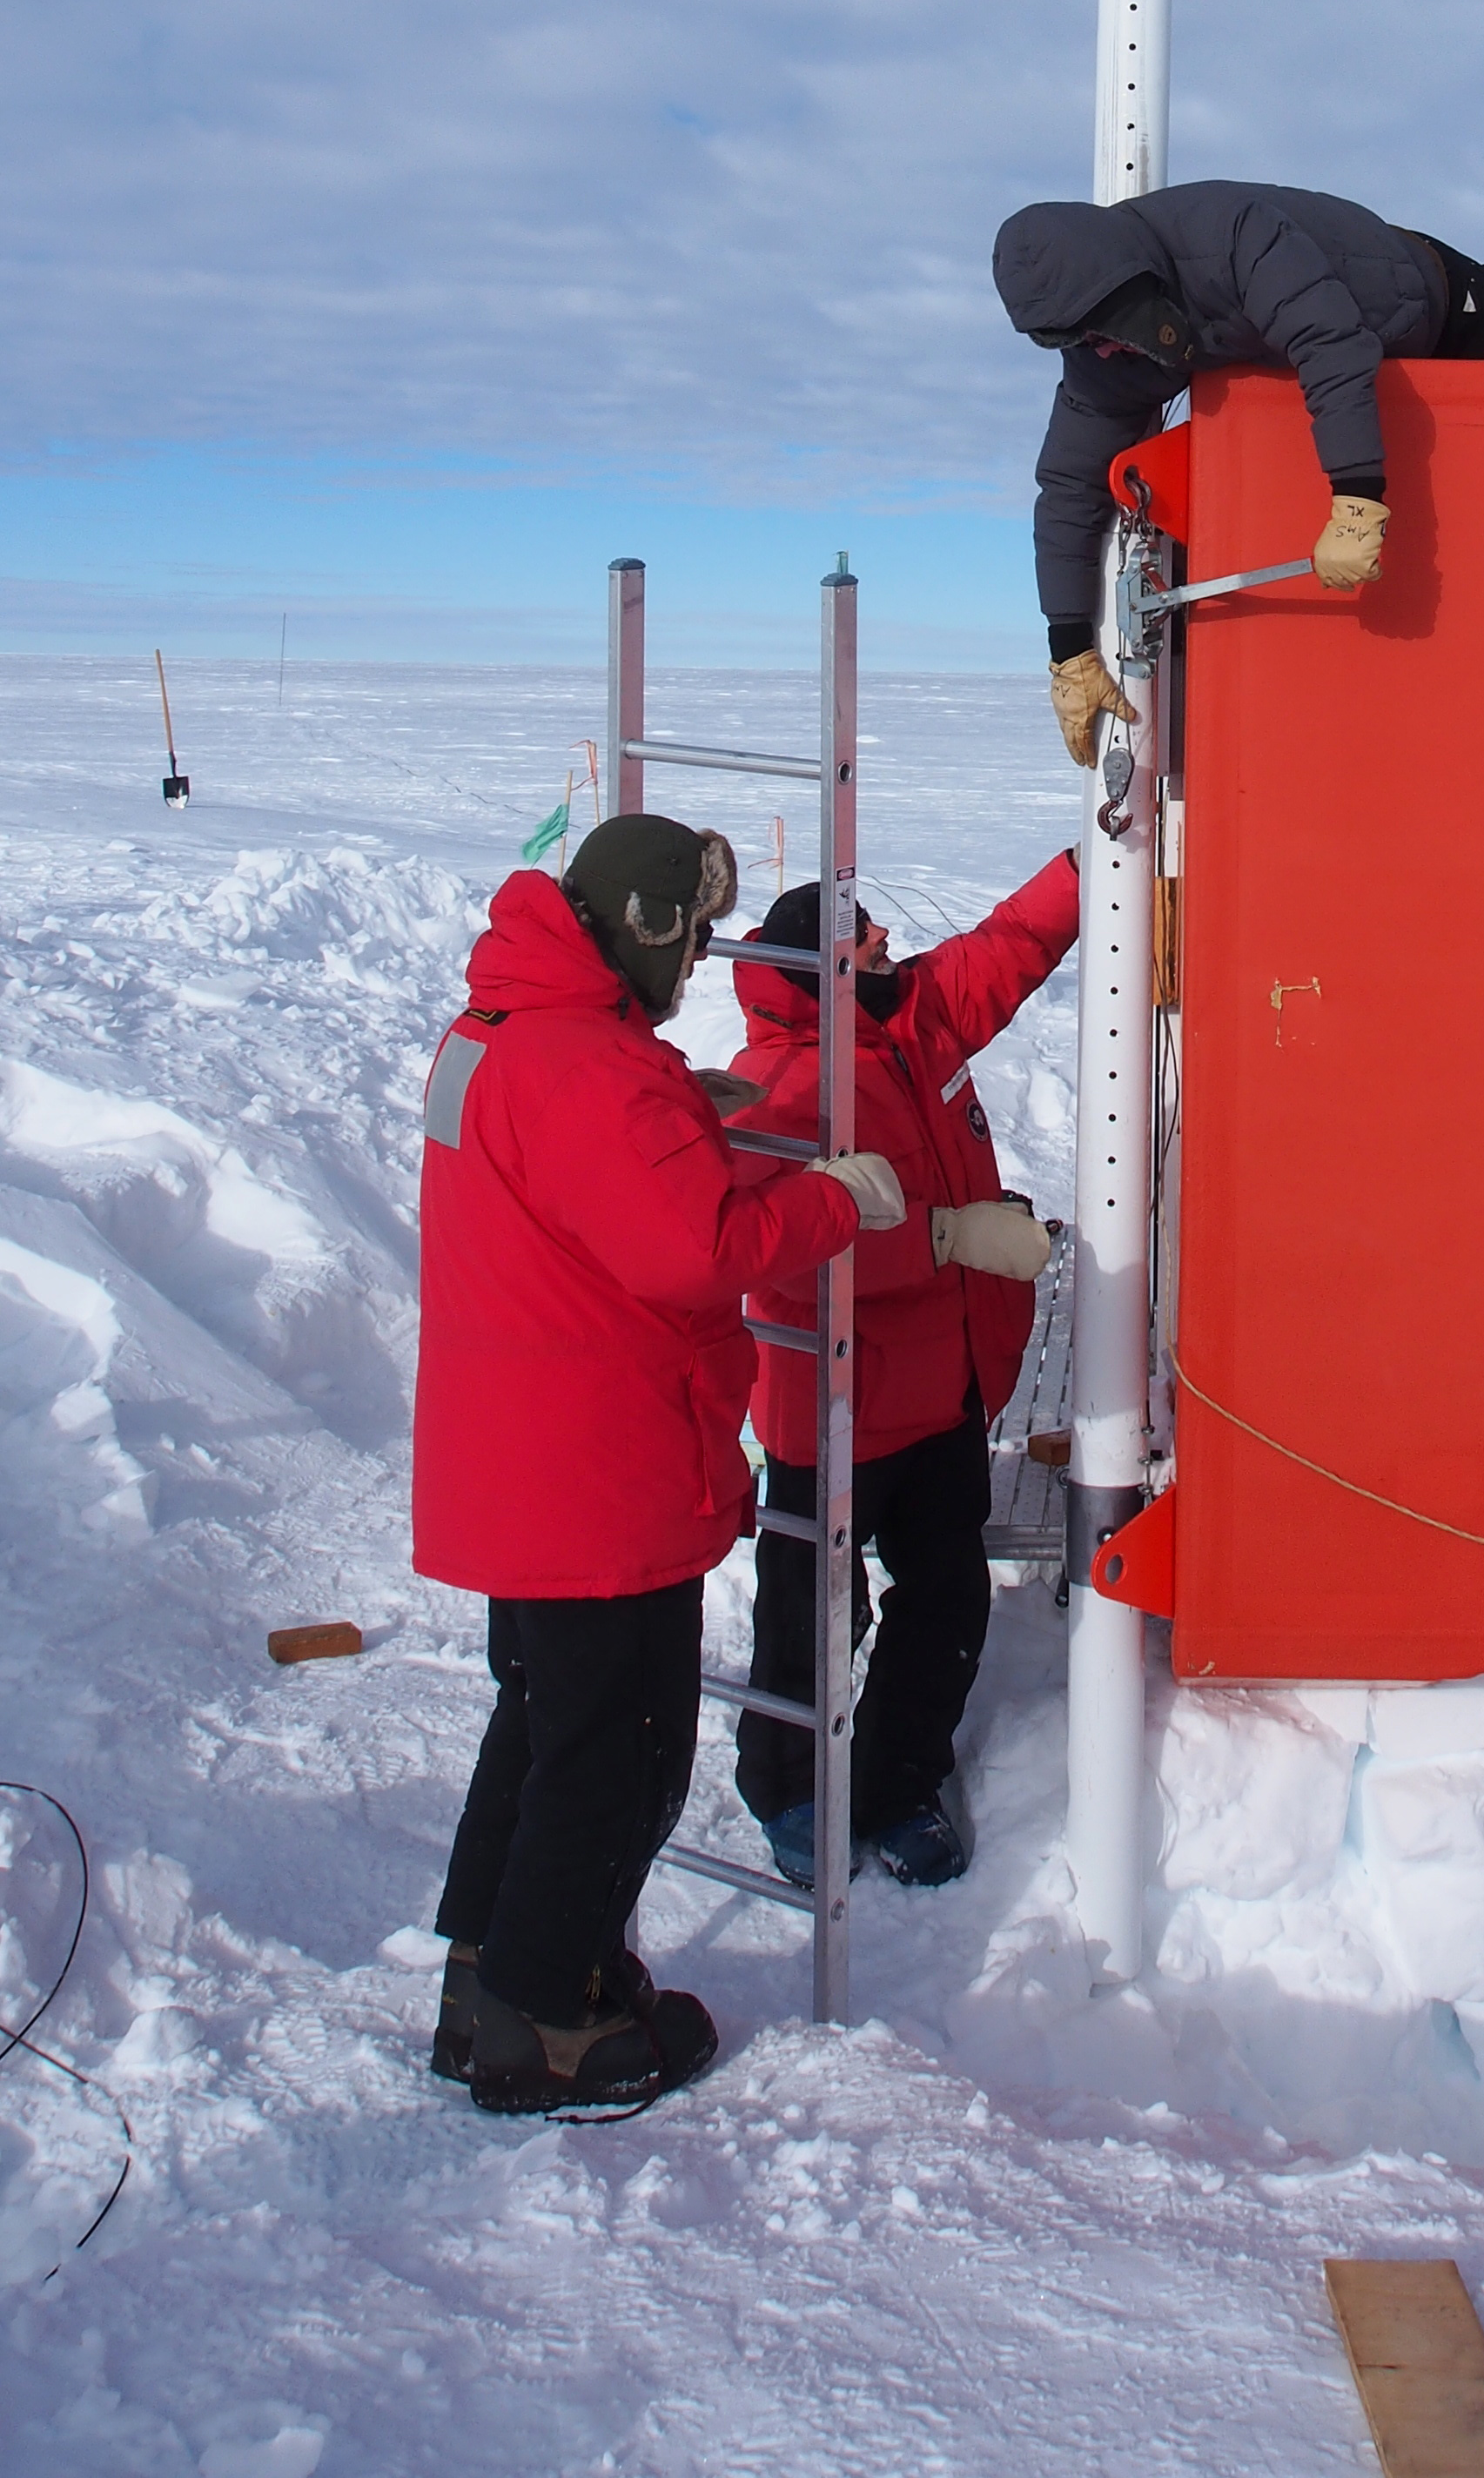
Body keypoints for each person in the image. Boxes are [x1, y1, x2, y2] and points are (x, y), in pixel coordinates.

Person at [413, 812, 905, 2112]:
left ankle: (491, 1975)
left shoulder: (500, 1030)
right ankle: (542, 2023)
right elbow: (697, 1248)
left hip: (517, 1464)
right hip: (601, 1475)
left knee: (544, 1725)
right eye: (689, 941)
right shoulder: (591, 1070)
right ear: (642, 929)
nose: (694, 966)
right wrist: (837, 1199)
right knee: (618, 1755)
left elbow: (583, 1168)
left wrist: (677, 1109)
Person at [728, 854, 1077, 1890]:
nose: (884, 938)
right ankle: (788, 1790)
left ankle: (897, 1784)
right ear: (816, 968)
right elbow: (782, 1252)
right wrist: (945, 1237)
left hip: (943, 1399)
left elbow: (1012, 945)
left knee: (947, 1601)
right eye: (859, 933)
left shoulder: (917, 1018)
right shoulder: (779, 1091)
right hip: (833, 1413)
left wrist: (1100, 844)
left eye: (874, 923)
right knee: (812, 1619)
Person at [991, 182, 1484, 755]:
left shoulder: (1233, 236)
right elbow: (1069, 485)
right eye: (1074, 341)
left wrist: (1356, 499)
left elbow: (1330, 345)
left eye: (1096, 329)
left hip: (1440, 309)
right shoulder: (1108, 355)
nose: (1098, 351)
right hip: (1388, 397)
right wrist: (1068, 650)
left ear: (1125, 285)